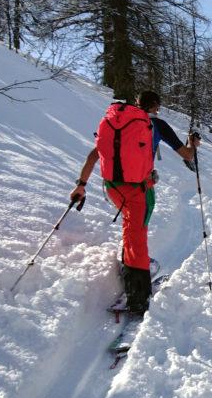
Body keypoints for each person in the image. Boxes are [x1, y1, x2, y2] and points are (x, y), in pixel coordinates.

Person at [70, 90, 199, 313]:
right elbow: (187, 155)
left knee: (131, 227)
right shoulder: (156, 125)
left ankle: (130, 265)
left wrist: (81, 184)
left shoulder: (117, 123)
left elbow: (94, 155)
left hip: (112, 187)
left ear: (137, 103)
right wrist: (192, 143)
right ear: (155, 106)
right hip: (139, 188)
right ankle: (137, 296)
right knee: (137, 233)